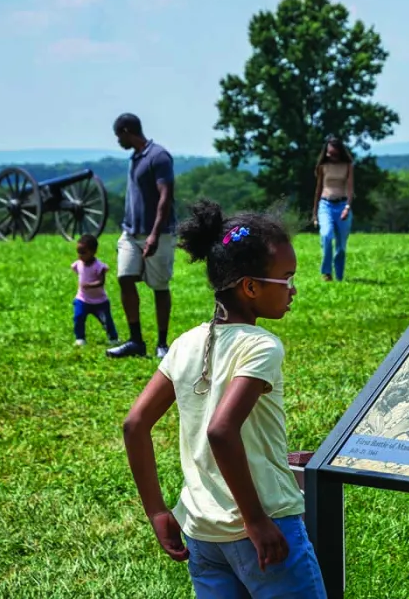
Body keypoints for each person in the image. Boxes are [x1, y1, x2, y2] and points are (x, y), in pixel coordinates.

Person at [122, 199, 326, 598]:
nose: (293, 289)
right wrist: (255, 520)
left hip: (201, 533)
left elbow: (135, 424)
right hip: (264, 525)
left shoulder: (184, 343)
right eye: (286, 278)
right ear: (250, 286)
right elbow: (221, 431)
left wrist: (158, 511)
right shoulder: (261, 345)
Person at [107, 113, 177, 359]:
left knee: (159, 286)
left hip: (158, 233)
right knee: (124, 278)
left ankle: (161, 342)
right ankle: (136, 340)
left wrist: (155, 235)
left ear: (127, 131)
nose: (118, 141)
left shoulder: (158, 156)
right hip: (131, 232)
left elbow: (165, 196)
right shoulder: (135, 158)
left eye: (119, 136)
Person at [311, 136, 354, 282]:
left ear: (339, 152)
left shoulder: (348, 165)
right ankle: (327, 272)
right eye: (329, 153)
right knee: (327, 235)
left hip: (342, 205)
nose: (331, 156)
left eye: (334, 153)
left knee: (341, 246)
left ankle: (340, 276)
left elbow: (350, 188)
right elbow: (318, 189)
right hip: (325, 205)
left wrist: (347, 207)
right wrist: (315, 213)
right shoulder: (323, 166)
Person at [71, 233, 119, 346]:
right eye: (78, 252)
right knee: (78, 317)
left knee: (106, 321)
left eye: (83, 252)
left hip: (100, 301)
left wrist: (89, 285)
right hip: (82, 299)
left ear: (93, 251)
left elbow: (101, 282)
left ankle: (113, 338)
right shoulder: (78, 264)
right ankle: (80, 338)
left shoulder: (99, 266)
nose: (80, 255)